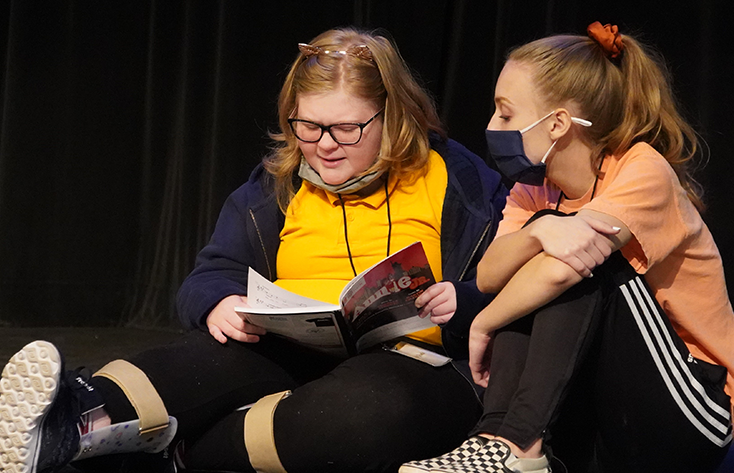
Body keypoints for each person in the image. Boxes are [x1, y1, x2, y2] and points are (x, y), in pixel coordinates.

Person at [0, 27, 508, 473]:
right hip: (298, 346)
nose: (325, 144)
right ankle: (65, 422)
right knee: (196, 362)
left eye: (347, 128)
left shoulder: (456, 180)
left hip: (422, 358)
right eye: (307, 126)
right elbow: (209, 275)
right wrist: (219, 302)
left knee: (360, 414)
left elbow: (512, 285)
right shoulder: (279, 185)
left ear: (391, 116)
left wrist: (461, 302)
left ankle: (161, 454)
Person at [400, 22, 734, 473]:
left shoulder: (642, 169)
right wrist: (536, 231)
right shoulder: (534, 188)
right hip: (598, 413)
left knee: (585, 259)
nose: (492, 126)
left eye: (505, 114)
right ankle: (495, 438)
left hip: (690, 412)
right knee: (542, 253)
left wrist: (484, 321)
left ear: (557, 124)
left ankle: (518, 443)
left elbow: (558, 270)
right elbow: (489, 276)